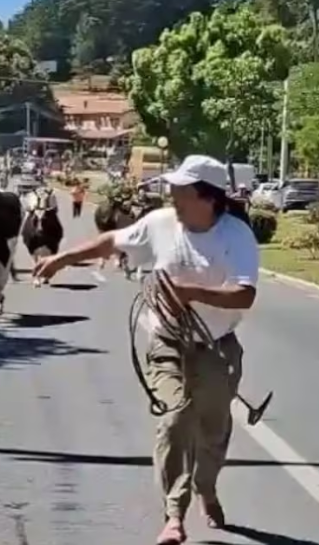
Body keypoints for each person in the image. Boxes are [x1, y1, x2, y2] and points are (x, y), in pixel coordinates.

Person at [32, 155, 259, 545]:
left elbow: (244, 294)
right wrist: (62, 258)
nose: (172, 196)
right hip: (166, 342)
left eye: (180, 191)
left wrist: (189, 293)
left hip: (216, 349)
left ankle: (207, 486)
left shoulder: (236, 236)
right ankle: (174, 515)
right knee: (174, 419)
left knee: (212, 431)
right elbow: (113, 240)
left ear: (206, 197)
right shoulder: (160, 223)